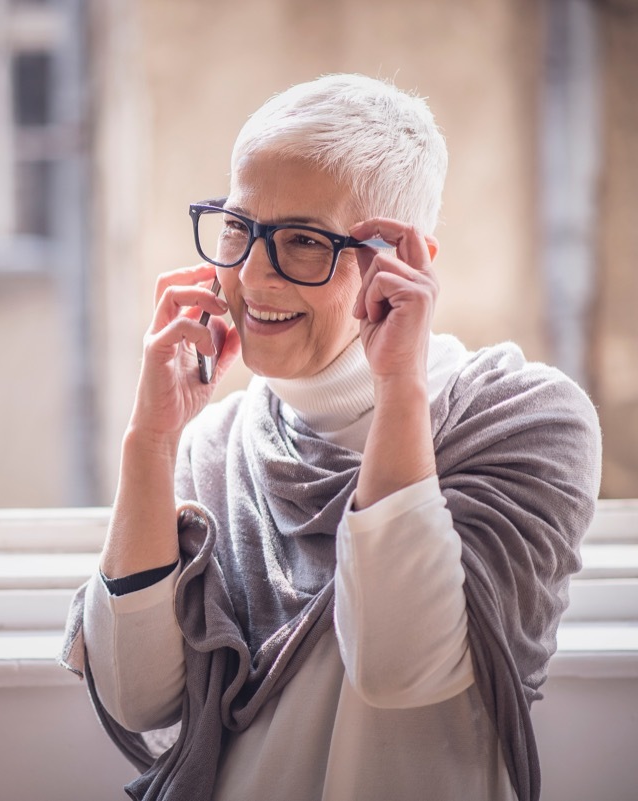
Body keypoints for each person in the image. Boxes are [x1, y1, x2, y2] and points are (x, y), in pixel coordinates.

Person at [58, 73, 602, 801]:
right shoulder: (218, 442)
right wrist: (151, 441)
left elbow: (399, 664)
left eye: (303, 241)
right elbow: (136, 695)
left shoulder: (527, 421)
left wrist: (399, 386)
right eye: (238, 227)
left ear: (402, 261)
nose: (251, 275)